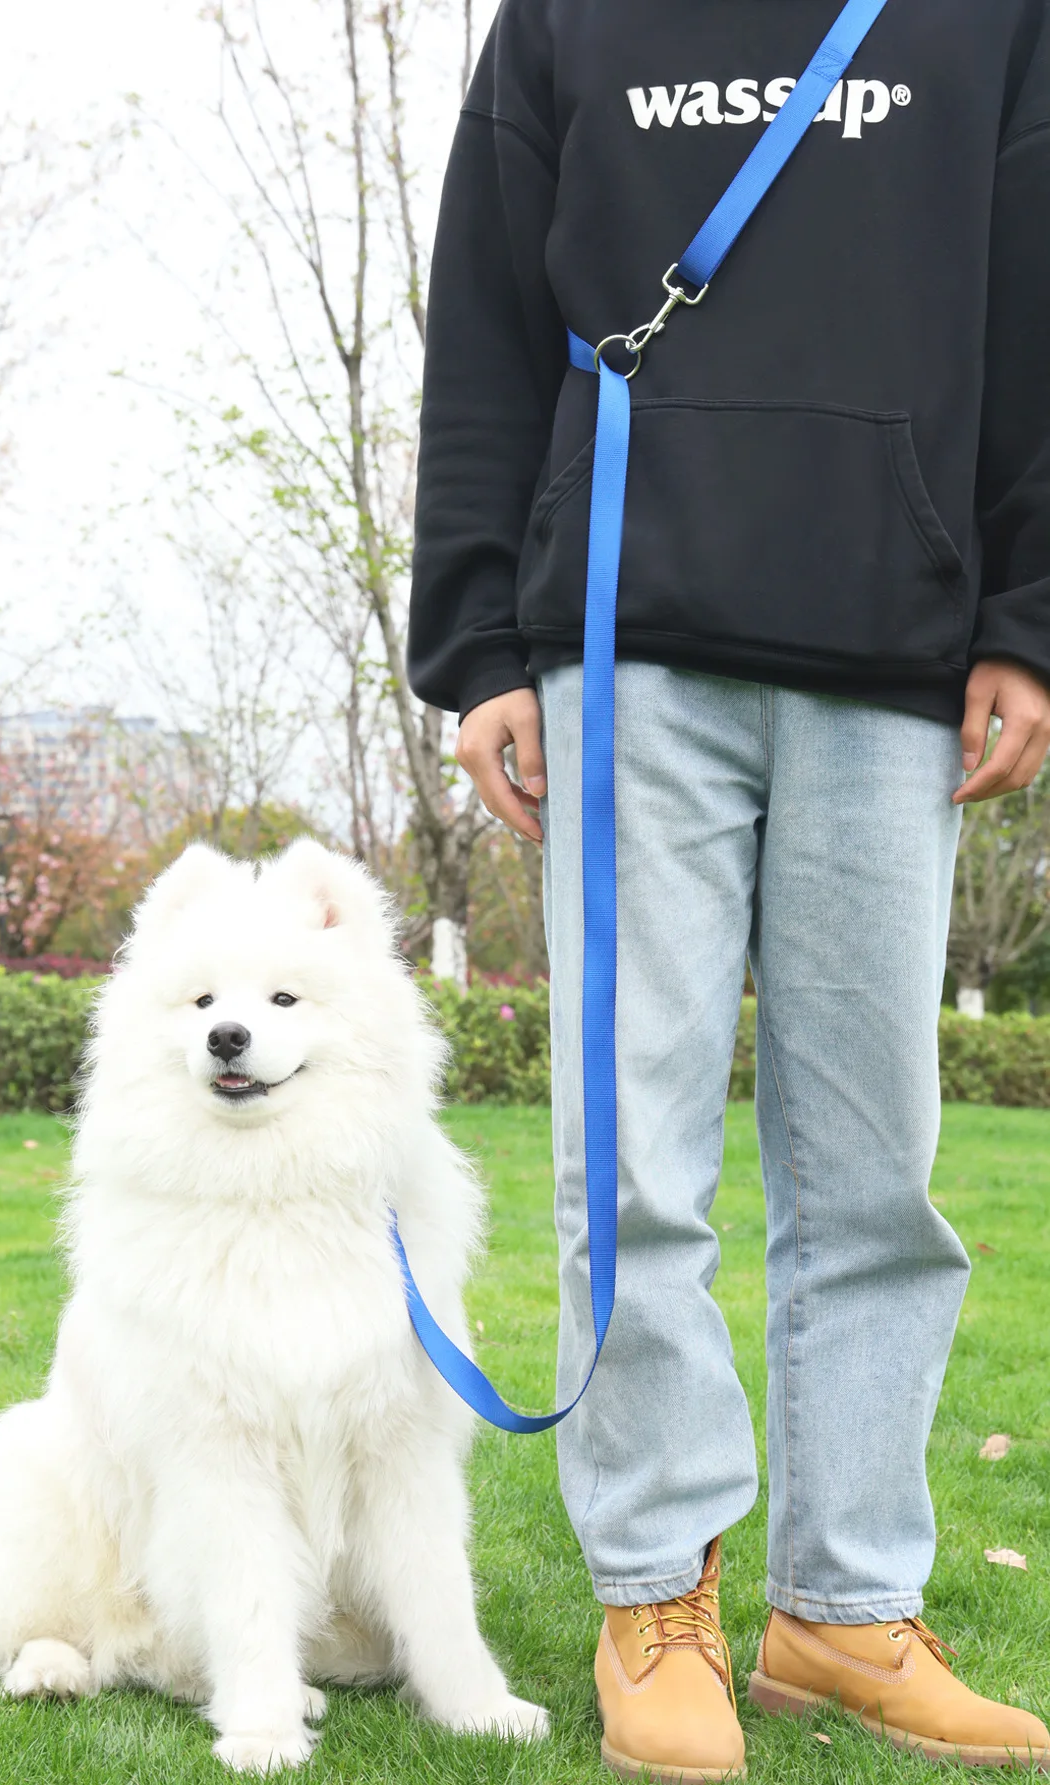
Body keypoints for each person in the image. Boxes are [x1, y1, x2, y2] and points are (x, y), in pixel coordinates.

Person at [408, 3, 1050, 1779]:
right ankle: (654, 1599)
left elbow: (1036, 313)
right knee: (631, 1166)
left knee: (875, 1175)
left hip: (894, 650)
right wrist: (478, 647)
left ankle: (845, 1611)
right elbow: (484, 327)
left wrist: (1030, 620)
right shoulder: (567, 16)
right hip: (626, 644)